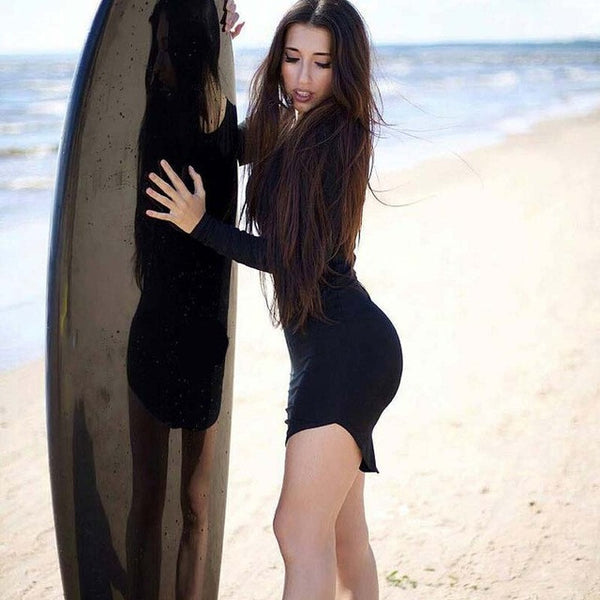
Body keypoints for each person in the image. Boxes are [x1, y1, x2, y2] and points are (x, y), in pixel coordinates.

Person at [146, 1, 403, 598]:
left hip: (344, 352)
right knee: (342, 536)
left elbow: (292, 258)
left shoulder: (334, 138)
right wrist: (212, 41)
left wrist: (198, 225)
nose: (303, 77)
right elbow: (220, 143)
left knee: (297, 531)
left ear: (345, 68)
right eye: (292, 58)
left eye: (321, 63)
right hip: (338, 349)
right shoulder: (292, 126)